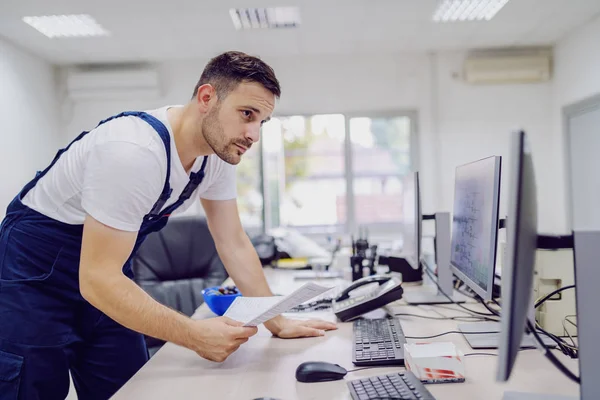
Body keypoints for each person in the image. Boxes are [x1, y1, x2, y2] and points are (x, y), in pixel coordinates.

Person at [0, 51, 337, 400]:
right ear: (207, 98)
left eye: (262, 122)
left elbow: (233, 241)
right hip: (34, 271)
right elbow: (96, 278)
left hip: (106, 265)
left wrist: (276, 320)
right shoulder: (132, 151)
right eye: (247, 114)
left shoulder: (216, 157)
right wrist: (194, 334)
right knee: (31, 389)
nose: (253, 134)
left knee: (132, 388)